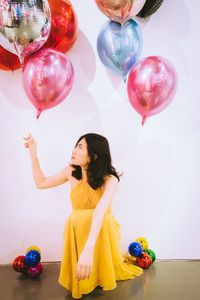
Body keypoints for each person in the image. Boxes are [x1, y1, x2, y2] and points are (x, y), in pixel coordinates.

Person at [23, 132, 143, 299]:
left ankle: (98, 269)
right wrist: (33, 154)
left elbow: (101, 210)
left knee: (98, 217)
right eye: (75, 145)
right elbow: (41, 183)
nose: (73, 150)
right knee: (76, 218)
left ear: (93, 156)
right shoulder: (70, 172)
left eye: (80, 147)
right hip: (79, 229)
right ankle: (84, 272)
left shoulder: (110, 179)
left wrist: (88, 249)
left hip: (102, 229)